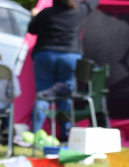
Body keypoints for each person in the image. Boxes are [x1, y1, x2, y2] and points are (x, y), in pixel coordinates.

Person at [26, 0, 100, 141]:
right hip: (69, 56)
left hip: (44, 55)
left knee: (42, 95)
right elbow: (92, 2)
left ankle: (34, 135)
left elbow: (31, 30)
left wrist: (34, 16)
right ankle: (65, 135)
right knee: (66, 94)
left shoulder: (45, 13)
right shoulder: (77, 12)